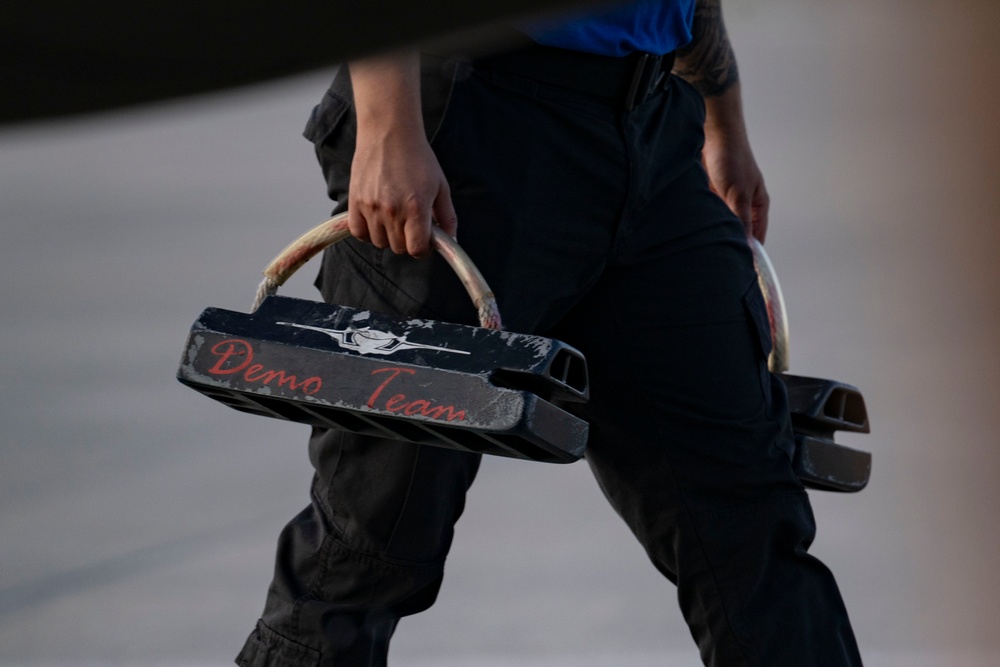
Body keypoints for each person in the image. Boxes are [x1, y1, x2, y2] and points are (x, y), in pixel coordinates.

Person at [236, 1, 863, 665]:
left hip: (653, 128)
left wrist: (723, 121)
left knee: (749, 523)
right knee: (371, 541)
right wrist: (389, 124)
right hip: (471, 119)